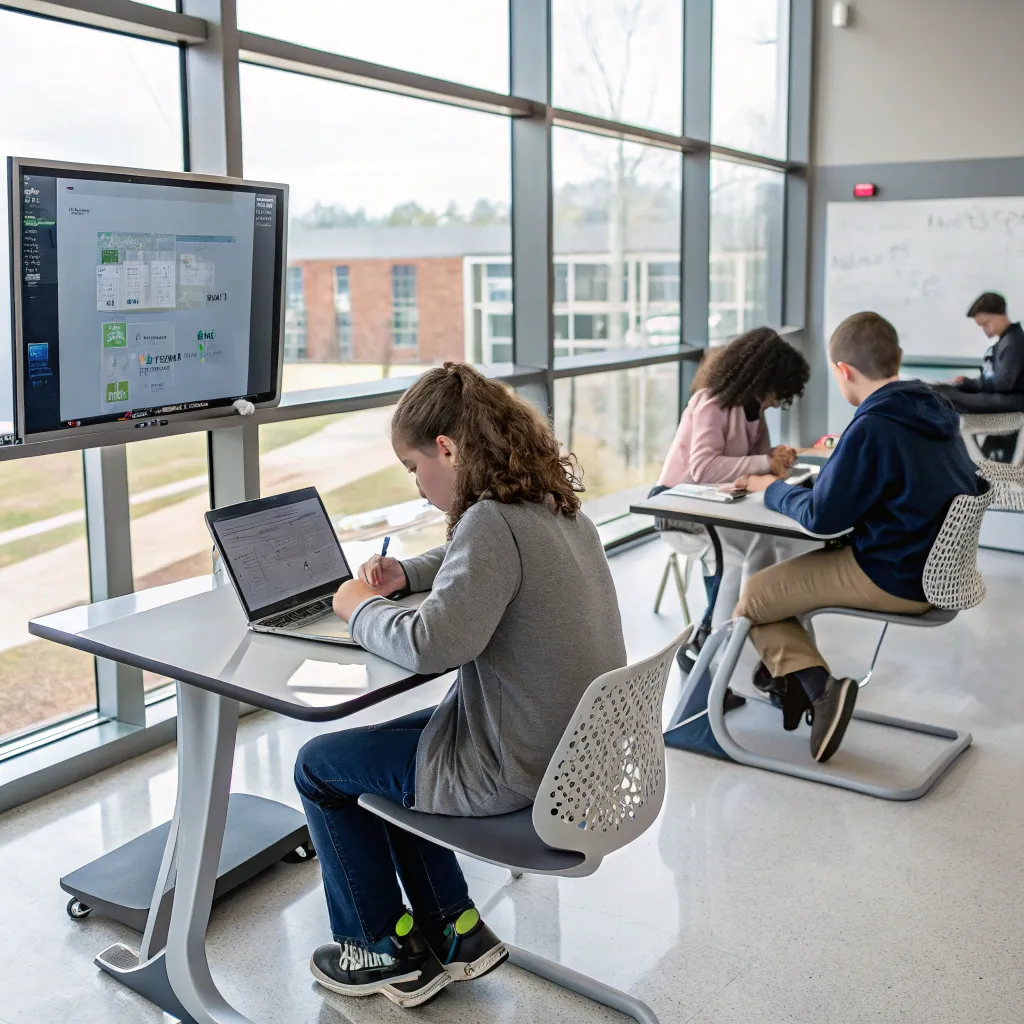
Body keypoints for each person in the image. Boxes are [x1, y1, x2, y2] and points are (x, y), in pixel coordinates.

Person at [293, 362, 626, 1008]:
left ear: (446, 448)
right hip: (575, 761)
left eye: (415, 468)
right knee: (386, 760)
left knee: (321, 767)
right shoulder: (553, 509)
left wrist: (359, 606)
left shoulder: (491, 524)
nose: (418, 487)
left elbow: (429, 646)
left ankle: (378, 948)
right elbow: (468, 565)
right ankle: (455, 929)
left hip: (518, 771)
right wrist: (406, 577)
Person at [734, 312, 984, 763]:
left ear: (843, 372)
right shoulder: (934, 409)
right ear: (898, 358)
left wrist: (770, 490)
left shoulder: (873, 424)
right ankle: (792, 683)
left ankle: (818, 690)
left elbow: (822, 518)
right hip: (934, 570)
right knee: (778, 599)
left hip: (893, 574)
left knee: (753, 597)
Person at [654, 327, 811, 631]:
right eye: (778, 392)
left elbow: (756, 466)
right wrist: (765, 462)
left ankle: (747, 632)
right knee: (734, 555)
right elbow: (703, 469)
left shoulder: (755, 409)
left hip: (717, 505)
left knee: (768, 546)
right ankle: (710, 633)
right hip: (674, 505)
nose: (778, 403)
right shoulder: (711, 403)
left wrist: (776, 463)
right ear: (762, 379)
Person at [933, 292, 1024, 414]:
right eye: (981, 326)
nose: (984, 329)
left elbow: (1002, 385)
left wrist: (970, 384)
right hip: (1003, 398)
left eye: (986, 324)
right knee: (943, 390)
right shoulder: (1006, 341)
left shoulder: (1014, 342)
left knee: (942, 393)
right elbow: (994, 379)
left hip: (1010, 401)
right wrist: (966, 383)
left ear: (1001, 315)